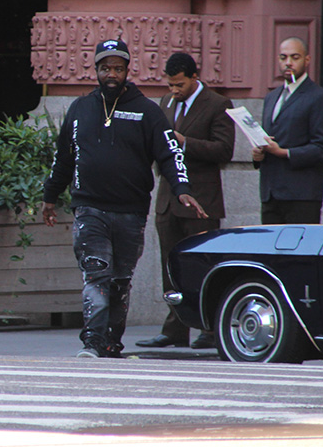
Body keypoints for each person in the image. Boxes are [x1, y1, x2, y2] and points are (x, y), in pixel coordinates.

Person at [41, 39, 207, 359]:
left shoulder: (147, 111)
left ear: (127, 70)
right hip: (89, 208)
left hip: (131, 212)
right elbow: (63, 159)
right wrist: (50, 197)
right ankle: (91, 342)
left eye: (118, 68)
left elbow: (170, 154)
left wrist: (182, 189)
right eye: (106, 68)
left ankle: (110, 343)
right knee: (96, 273)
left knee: (119, 282)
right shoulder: (80, 109)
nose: (112, 74)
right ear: (96, 71)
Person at [136, 53, 235, 351]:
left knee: (204, 266)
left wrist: (185, 142)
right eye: (170, 85)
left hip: (202, 201)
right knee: (171, 266)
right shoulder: (165, 103)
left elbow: (224, 150)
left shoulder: (218, 104)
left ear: (194, 77)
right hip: (168, 199)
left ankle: (208, 329)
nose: (174, 90)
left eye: (179, 84)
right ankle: (175, 328)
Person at [253, 37, 323, 224]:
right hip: (270, 194)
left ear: (307, 60)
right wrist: (258, 155)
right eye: (283, 58)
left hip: (302, 196)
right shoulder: (271, 97)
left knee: (300, 252)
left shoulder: (319, 97)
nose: (288, 63)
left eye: (294, 57)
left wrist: (284, 153)